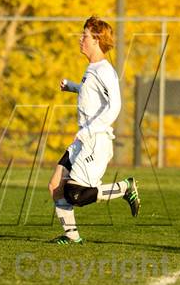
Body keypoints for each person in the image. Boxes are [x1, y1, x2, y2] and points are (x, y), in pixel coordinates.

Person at [48, 16, 141, 245]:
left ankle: (125, 187)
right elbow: (93, 96)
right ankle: (72, 237)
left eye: (85, 36)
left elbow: (115, 105)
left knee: (75, 195)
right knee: (55, 186)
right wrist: (73, 87)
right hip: (84, 138)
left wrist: (90, 130)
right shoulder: (93, 68)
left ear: (97, 40)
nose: (81, 39)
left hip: (96, 140)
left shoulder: (105, 70)